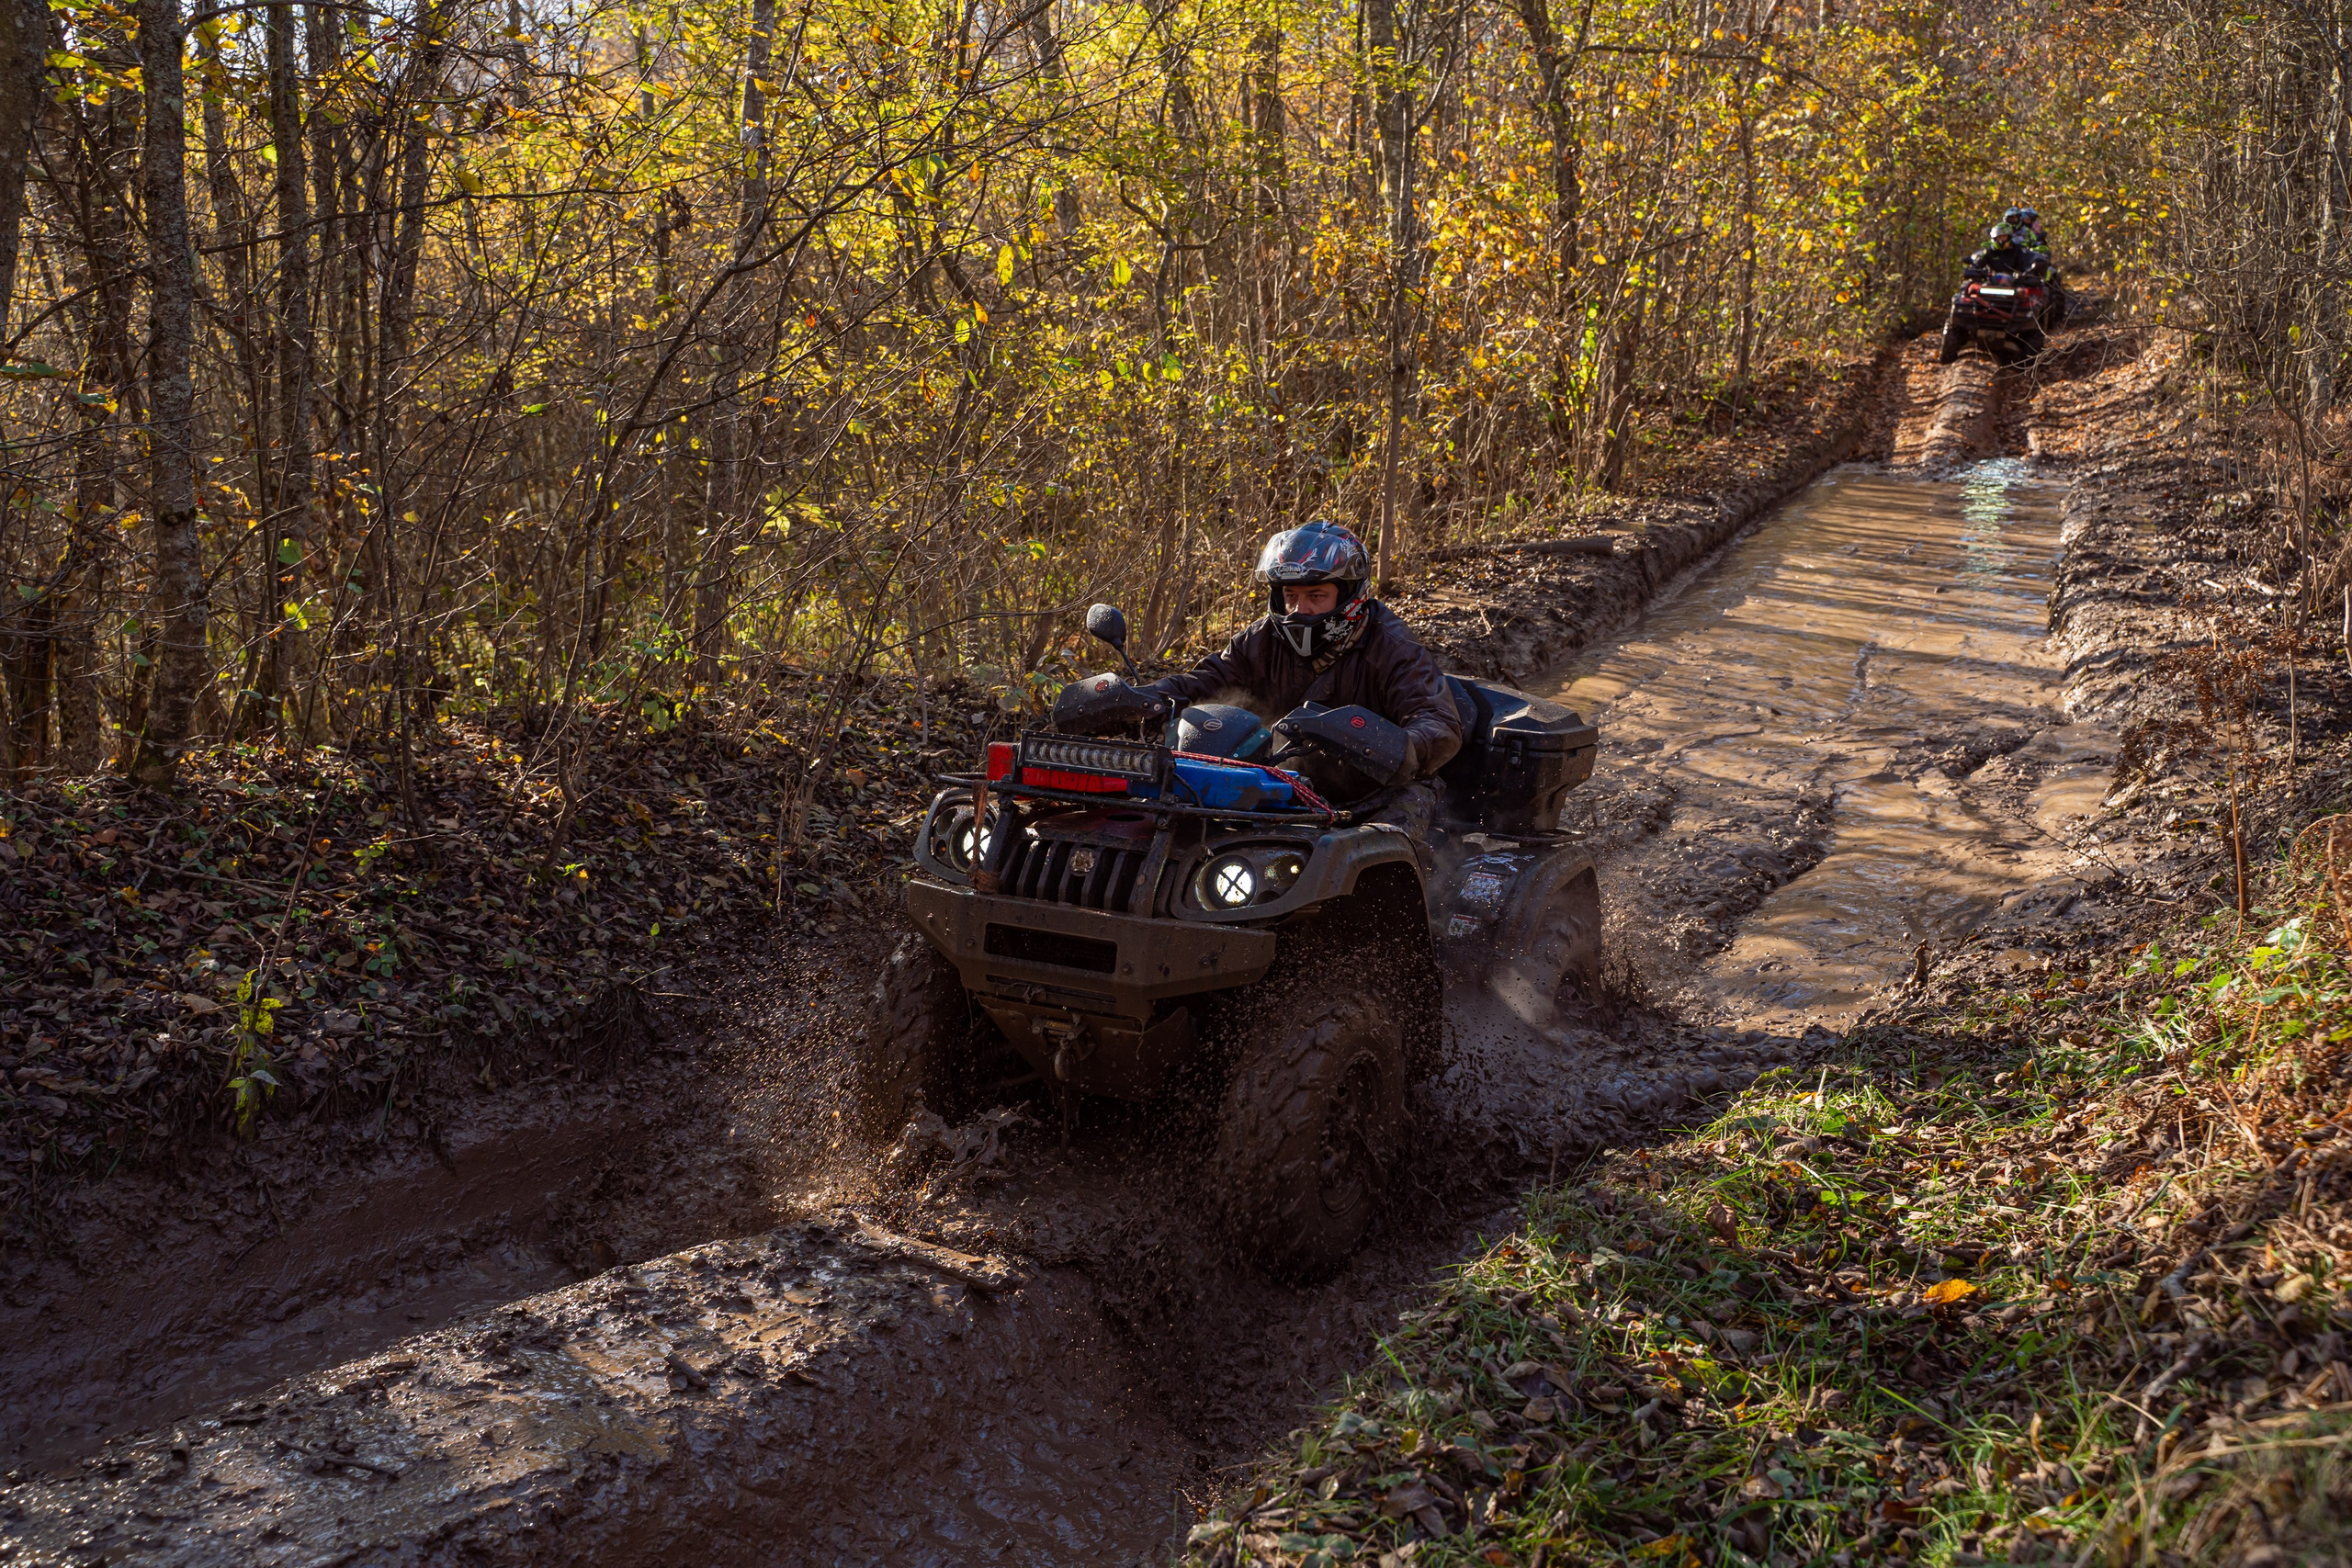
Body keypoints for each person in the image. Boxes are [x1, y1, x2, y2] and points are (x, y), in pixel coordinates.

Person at [1141, 520, 1463, 830]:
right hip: (1283, 785)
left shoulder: (1392, 647)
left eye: (1316, 596)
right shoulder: (1262, 638)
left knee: (1387, 844)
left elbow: (1438, 722)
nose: (1299, 609)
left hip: (1376, 794)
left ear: (1350, 594)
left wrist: (1388, 745)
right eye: (1291, 596)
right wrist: (1143, 699)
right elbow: (1203, 681)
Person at [1965, 222, 2046, 280]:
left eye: (2003, 237)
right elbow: (1977, 265)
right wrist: (1974, 270)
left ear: (2009, 237)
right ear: (1994, 238)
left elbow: (2030, 261)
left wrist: (2031, 270)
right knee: (1968, 290)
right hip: (1992, 284)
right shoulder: (1988, 251)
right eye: (1999, 237)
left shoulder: (2019, 250)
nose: (2001, 240)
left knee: (2035, 289)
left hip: (2017, 284)